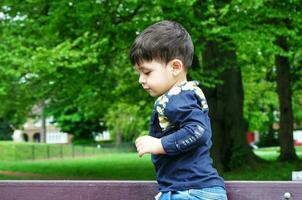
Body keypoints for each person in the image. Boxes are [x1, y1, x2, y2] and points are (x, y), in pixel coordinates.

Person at [129, 20, 227, 200]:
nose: (141, 80)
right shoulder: (181, 96)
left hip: (190, 192)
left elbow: (197, 131)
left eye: (147, 72)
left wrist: (160, 145)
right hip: (187, 190)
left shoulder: (179, 98)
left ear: (175, 67)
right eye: (139, 73)